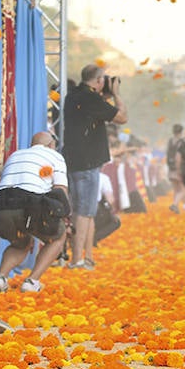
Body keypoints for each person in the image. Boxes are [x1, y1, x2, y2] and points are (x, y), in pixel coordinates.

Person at [63, 64, 126, 268]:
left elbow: (96, 111)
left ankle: (86, 257)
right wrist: (115, 93)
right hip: (88, 162)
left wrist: (104, 95)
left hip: (74, 161)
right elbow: (122, 118)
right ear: (99, 81)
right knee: (84, 212)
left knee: (85, 211)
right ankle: (77, 259)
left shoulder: (73, 95)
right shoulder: (90, 98)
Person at [0, 131, 71, 294]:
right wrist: (65, 218)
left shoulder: (16, 155)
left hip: (0, 206)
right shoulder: (54, 156)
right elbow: (60, 191)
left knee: (21, 242)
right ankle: (32, 281)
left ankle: (1, 278)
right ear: (51, 144)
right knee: (59, 236)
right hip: (29, 204)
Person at [166, 123, 185, 213]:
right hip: (179, 167)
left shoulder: (170, 141)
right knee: (183, 189)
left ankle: (176, 207)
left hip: (170, 167)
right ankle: (174, 204)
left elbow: (167, 153)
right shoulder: (182, 142)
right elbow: (180, 156)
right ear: (181, 132)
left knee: (176, 189)